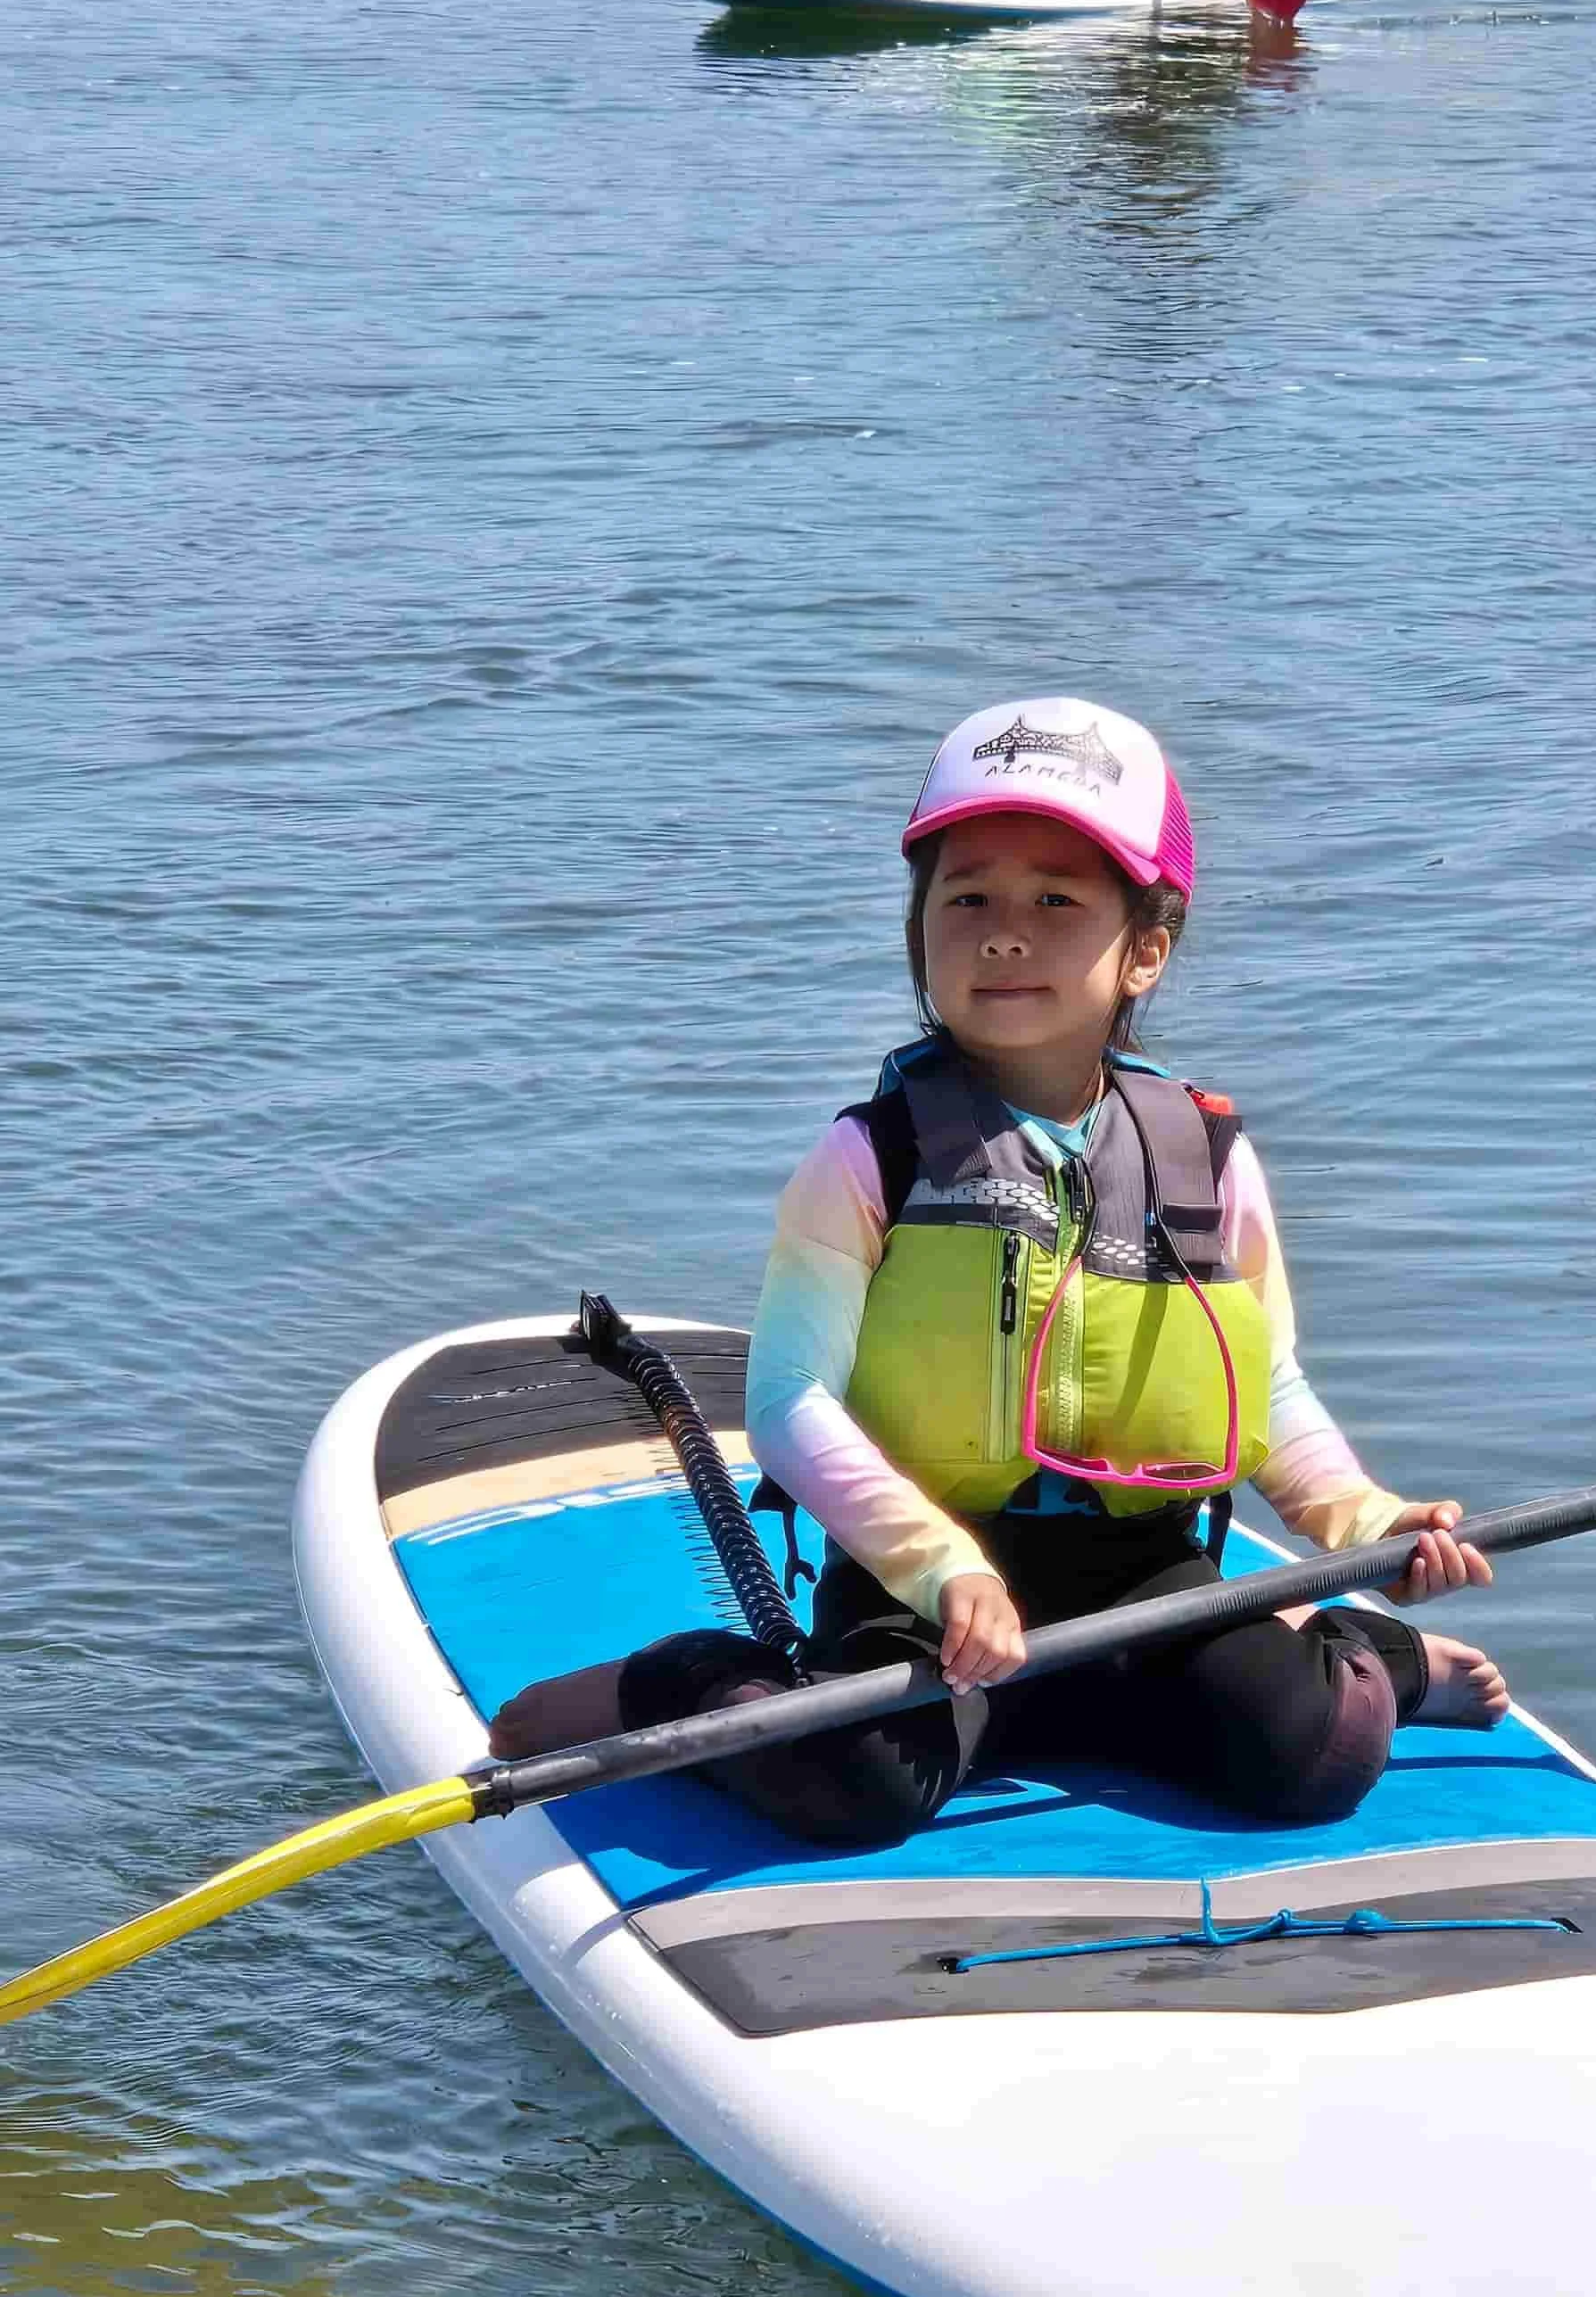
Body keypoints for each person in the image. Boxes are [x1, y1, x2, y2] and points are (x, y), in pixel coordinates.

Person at [491, 696, 1508, 1847]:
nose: (1004, 932)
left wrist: (1368, 1523)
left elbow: (1265, 1389)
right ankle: (668, 1683)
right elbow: (786, 1408)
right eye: (966, 896)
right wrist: (941, 1571)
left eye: (1056, 902)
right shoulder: (869, 1158)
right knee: (855, 1784)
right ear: (920, 923)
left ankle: (1388, 1658)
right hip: (926, 1597)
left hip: (1145, 1587)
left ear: (1147, 949)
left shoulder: (1208, 1161)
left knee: (1319, 1752)